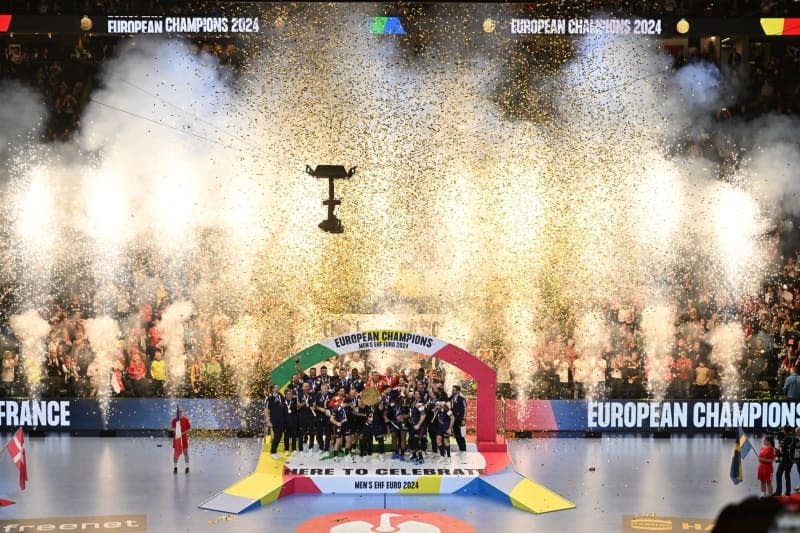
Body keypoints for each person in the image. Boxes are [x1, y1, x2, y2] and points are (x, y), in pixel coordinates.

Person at [265, 385, 287, 459]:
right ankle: (273, 452)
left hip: (282, 419)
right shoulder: (269, 398)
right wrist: (268, 421)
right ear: (272, 389)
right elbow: (266, 410)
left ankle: (275, 451)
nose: (278, 388)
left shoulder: (280, 396)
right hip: (274, 420)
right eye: (276, 387)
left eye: (278, 387)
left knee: (280, 435)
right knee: (277, 436)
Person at [774, 426, 795, 496]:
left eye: (783, 430)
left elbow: (782, 451)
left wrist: (778, 450)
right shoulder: (793, 437)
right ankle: (788, 491)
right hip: (791, 460)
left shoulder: (786, 438)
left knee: (778, 474)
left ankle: (778, 492)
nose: (782, 431)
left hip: (785, 459)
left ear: (785, 430)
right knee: (787, 474)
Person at [171, 406, 191, 474]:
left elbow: (189, 429)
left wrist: (183, 433)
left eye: (181, 411)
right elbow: (173, 429)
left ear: (183, 412)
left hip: (184, 439)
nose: (179, 412)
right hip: (177, 439)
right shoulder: (174, 420)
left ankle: (187, 467)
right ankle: (175, 467)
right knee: (176, 453)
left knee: (186, 453)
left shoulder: (186, 419)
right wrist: (178, 433)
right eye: (178, 411)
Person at [449, 385, 468, 453]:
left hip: (460, 419)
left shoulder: (462, 398)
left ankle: (463, 449)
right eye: (452, 390)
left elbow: (465, 408)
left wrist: (464, 419)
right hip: (454, 419)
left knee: (461, 435)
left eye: (454, 390)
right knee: (456, 434)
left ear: (458, 391)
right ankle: (460, 448)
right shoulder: (452, 399)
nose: (452, 391)